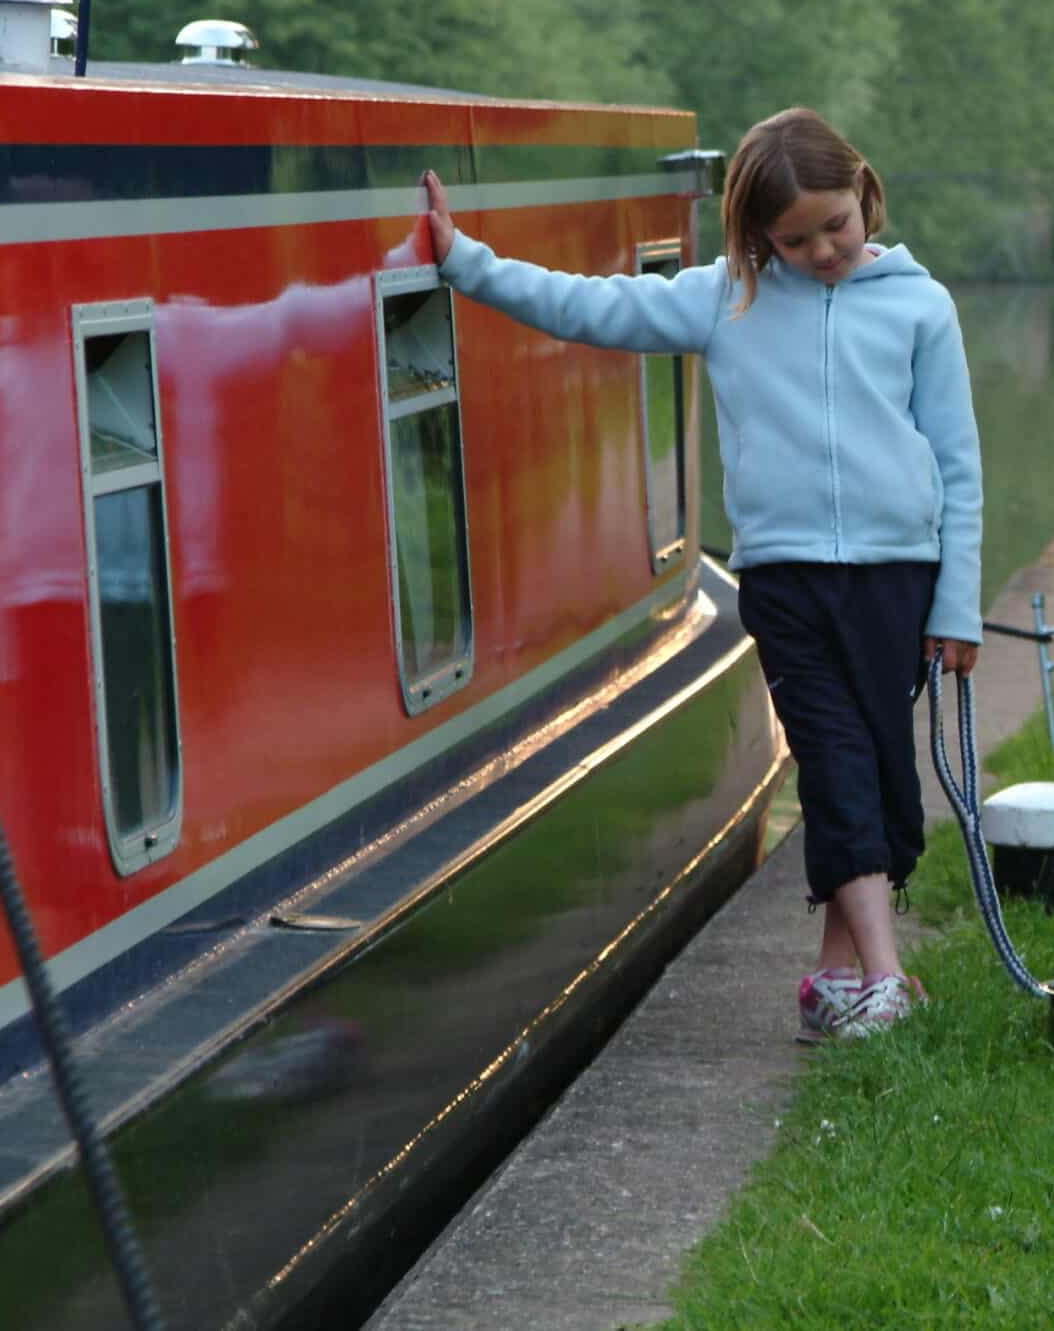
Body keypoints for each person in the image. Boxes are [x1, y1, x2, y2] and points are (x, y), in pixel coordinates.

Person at [419, 107, 981, 1041]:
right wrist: (465, 261)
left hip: (899, 580)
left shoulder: (924, 306)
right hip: (788, 583)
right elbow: (587, 305)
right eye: (793, 240)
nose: (823, 250)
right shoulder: (726, 299)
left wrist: (956, 602)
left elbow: (957, 465)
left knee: (885, 776)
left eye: (835, 225)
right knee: (838, 762)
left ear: (864, 193)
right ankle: (887, 979)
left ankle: (834, 980)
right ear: (757, 237)